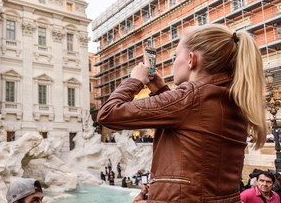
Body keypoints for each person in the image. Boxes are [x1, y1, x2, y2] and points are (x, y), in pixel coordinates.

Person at [97, 24, 267, 202]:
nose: (173, 63)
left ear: (191, 59)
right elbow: (193, 135)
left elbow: (108, 113)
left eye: (175, 56)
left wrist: (135, 80)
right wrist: (162, 90)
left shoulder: (191, 96)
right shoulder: (231, 97)